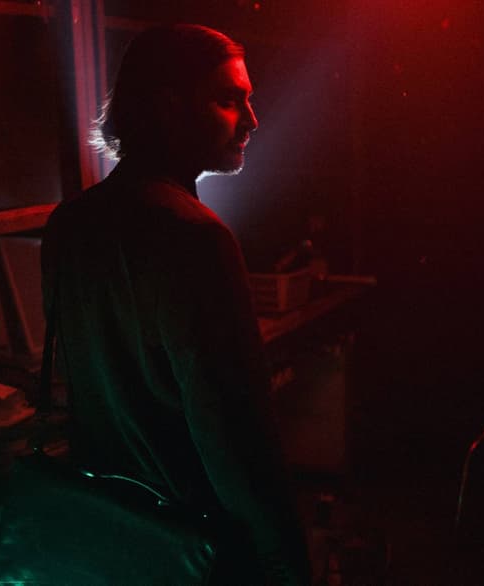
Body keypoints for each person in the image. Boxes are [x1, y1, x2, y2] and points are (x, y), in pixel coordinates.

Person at [41, 24, 309, 585]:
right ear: (169, 105)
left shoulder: (68, 225)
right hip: (191, 553)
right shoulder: (197, 238)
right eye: (229, 99)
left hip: (109, 541)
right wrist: (286, 562)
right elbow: (235, 438)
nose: (252, 120)